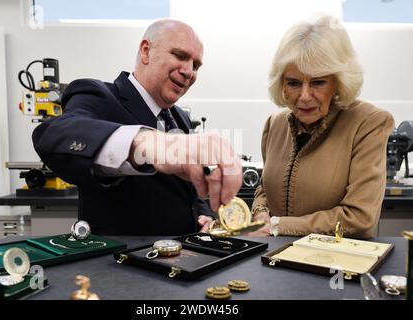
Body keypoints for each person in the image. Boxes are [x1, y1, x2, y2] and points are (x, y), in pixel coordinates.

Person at [32, 19, 242, 236]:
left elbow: (187, 191)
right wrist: (146, 143)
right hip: (118, 265)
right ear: (146, 51)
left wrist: (202, 213)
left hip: (183, 260)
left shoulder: (181, 118)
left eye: (196, 65)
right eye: (180, 56)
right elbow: (53, 134)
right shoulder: (98, 95)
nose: (189, 72)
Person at [249, 15, 394, 239]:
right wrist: (260, 213)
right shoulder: (274, 125)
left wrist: (278, 226)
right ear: (282, 85)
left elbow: (360, 218)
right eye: (294, 83)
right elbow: (264, 188)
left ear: (339, 81)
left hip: (334, 266)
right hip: (273, 263)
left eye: (318, 82)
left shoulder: (369, 123)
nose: (304, 96)